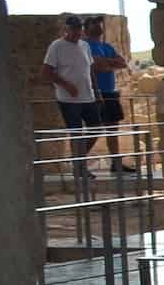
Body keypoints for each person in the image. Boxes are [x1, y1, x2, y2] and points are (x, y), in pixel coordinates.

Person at [40, 14, 99, 180]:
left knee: (96, 128)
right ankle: (80, 166)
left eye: (79, 29)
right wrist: (66, 85)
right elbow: (46, 72)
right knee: (76, 132)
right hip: (68, 99)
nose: (77, 33)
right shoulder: (56, 46)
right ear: (66, 29)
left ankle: (77, 160)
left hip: (88, 97)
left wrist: (97, 91)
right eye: (73, 30)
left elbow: (90, 69)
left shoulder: (85, 46)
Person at [82, 15, 137, 173]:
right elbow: (94, 65)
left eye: (99, 23)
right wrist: (109, 63)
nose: (99, 26)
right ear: (86, 29)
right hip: (95, 92)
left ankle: (116, 163)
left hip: (111, 92)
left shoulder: (106, 46)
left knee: (113, 129)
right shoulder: (85, 46)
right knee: (95, 129)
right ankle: (78, 160)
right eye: (94, 23)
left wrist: (104, 63)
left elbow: (122, 63)